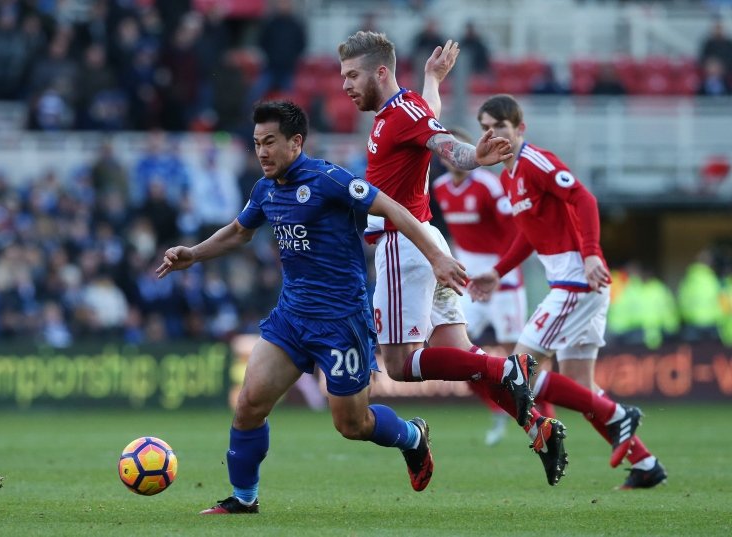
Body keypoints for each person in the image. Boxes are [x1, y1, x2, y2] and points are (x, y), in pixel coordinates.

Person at [156, 101, 504, 514]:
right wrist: (192, 255)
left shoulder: (328, 180)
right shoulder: (266, 188)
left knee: (352, 425)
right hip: (291, 317)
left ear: (295, 141)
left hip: (341, 323)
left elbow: (392, 207)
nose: (262, 152)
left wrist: (435, 255)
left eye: (270, 142)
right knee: (249, 403)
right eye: (256, 143)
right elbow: (238, 232)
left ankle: (412, 437)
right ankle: (244, 498)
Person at [338, 31, 567, 487]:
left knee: (402, 365)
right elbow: (428, 123)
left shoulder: (400, 114)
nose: (345, 84)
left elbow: (446, 145)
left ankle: (508, 367)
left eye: (352, 74)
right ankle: (536, 426)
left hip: (406, 246)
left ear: (380, 72)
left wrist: (473, 157)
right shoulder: (399, 111)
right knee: (463, 358)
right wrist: (434, 81)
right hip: (427, 244)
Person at [468, 94, 667, 489]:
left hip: (577, 282)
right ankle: (645, 463)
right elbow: (529, 232)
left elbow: (583, 197)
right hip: (578, 286)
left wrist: (592, 254)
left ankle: (617, 414)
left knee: (519, 371)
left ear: (520, 128)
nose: (493, 134)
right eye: (486, 128)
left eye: (500, 126)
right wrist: (498, 270)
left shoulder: (535, 162)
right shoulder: (508, 176)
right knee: (581, 387)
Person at [431, 126, 529, 446]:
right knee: (453, 352)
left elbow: (516, 229)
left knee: (522, 355)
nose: (454, 158)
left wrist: (503, 269)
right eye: (449, 152)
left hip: (502, 280)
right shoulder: (441, 188)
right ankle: (498, 409)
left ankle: (541, 418)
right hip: (468, 281)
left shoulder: (488, 184)